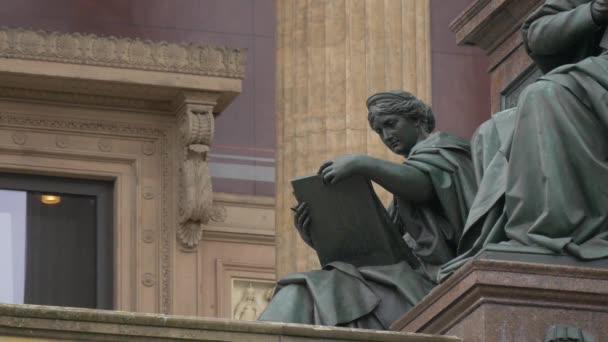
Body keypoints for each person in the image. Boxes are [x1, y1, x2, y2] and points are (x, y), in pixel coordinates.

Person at [258, 90, 477, 329]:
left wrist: (362, 164)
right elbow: (379, 249)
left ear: (418, 119)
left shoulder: (445, 149)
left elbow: (423, 185)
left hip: (440, 280)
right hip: (408, 279)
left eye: (391, 124)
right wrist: (316, 236)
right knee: (304, 288)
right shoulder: (403, 187)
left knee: (310, 291)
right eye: (379, 131)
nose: (387, 135)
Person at [440, 0, 608, 279]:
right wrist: (593, 12)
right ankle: (510, 239)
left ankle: (555, 229)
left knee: (544, 95)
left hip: (593, 77)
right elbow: (538, 33)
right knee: (492, 132)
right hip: (594, 77)